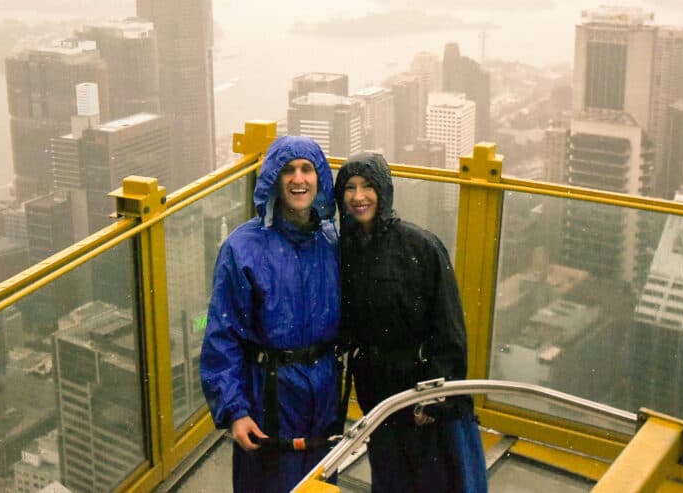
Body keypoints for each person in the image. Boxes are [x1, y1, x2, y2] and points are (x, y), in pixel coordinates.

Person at [335, 152, 487, 493]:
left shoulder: (421, 246)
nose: (358, 197)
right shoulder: (344, 249)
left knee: (431, 476)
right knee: (389, 471)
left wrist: (437, 397)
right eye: (349, 188)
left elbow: (449, 329)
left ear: (384, 191)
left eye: (367, 186)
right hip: (375, 384)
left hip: (420, 384)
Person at [200, 135, 341, 492]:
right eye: (288, 170)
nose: (298, 179)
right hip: (268, 396)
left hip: (323, 394)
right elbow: (223, 336)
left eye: (307, 169)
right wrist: (236, 412)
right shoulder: (242, 248)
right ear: (273, 180)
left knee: (320, 482)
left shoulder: (331, 242)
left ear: (319, 178)